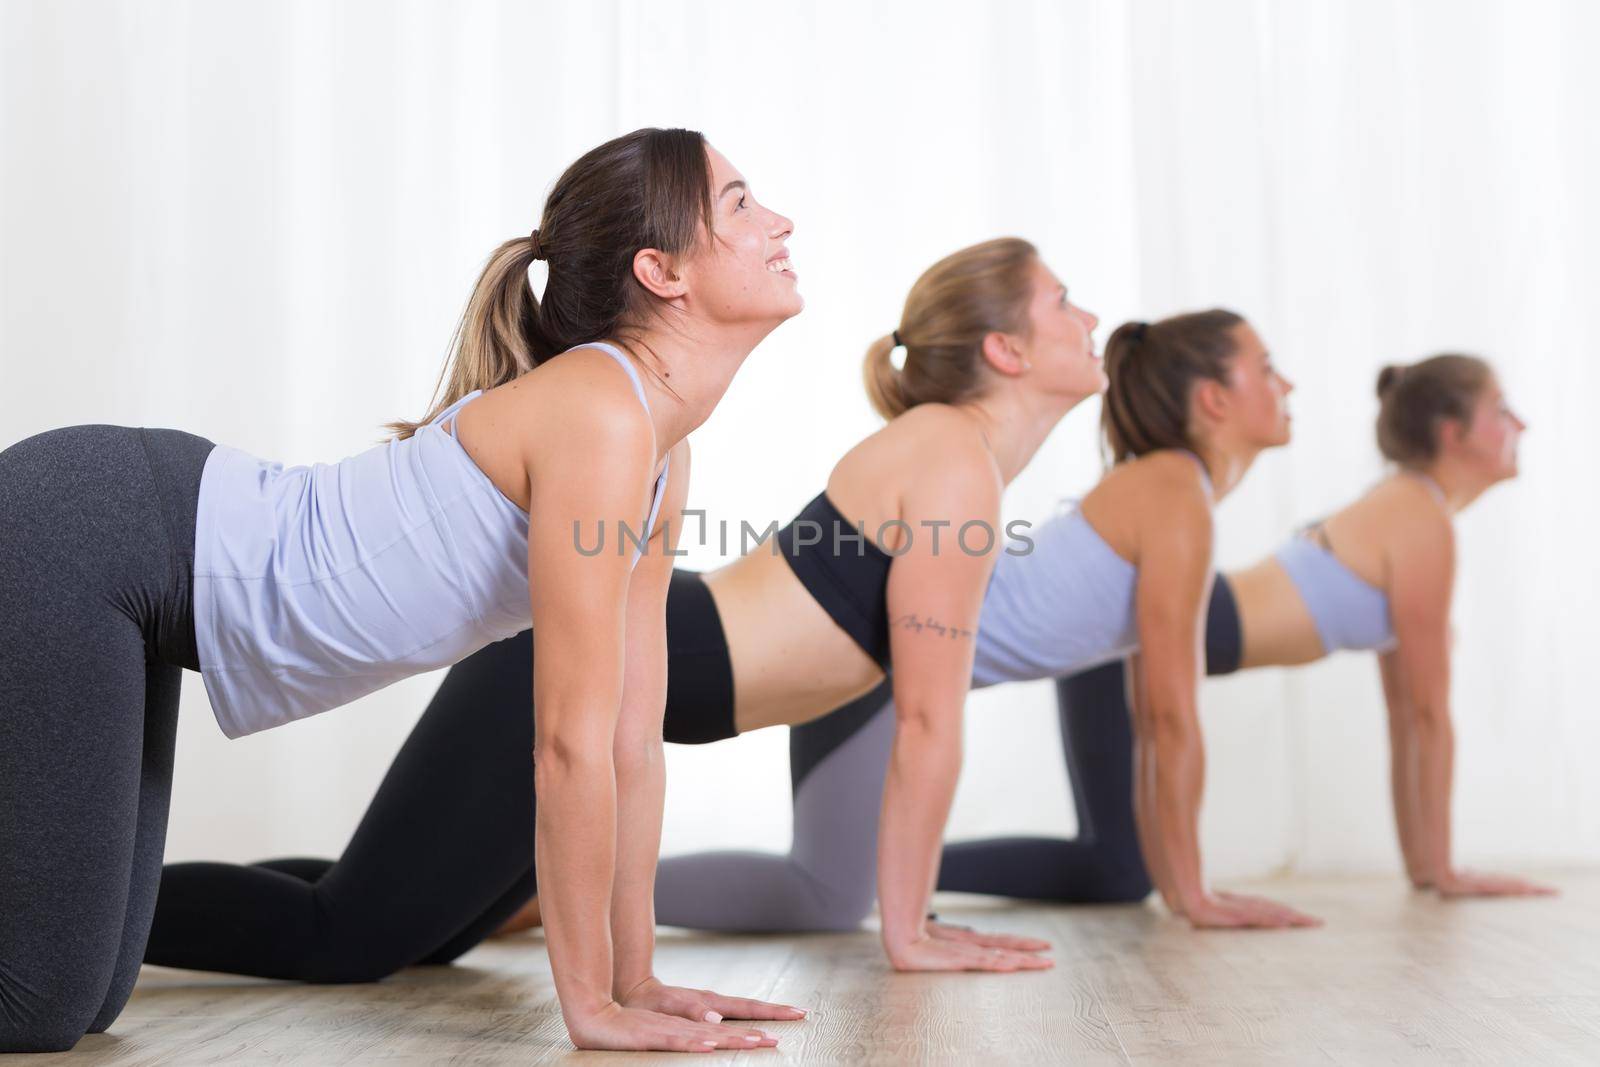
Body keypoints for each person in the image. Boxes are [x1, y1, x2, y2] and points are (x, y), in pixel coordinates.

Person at [0, 127, 803, 1054]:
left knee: (90, 994)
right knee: (41, 1006)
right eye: (741, 203)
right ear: (662, 270)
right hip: (98, 533)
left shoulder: (661, 447)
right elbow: (565, 745)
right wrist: (590, 1007)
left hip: (138, 562)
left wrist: (637, 978)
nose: (780, 221)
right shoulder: (601, 414)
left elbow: (631, 738)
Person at [147, 237, 1102, 980]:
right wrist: (910, 931)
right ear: (1006, 347)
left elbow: (897, 697)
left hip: (622, 675)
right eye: (1064, 301)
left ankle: (96, 905)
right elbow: (928, 714)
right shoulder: (951, 456)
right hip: (572, 666)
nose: (1089, 314)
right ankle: (66, 909)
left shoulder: (952, 454)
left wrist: (908, 915)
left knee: (412, 928)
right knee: (346, 936)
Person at [941, 354, 1554, 905]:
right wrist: (1445, 871)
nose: (1519, 425)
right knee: (1118, 871)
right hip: (1139, 635)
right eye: (1500, 410)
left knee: (1116, 870)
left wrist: (1429, 868)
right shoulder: (1420, 517)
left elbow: (1410, 717)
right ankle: (891, 871)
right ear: (1453, 434)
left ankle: (892, 872)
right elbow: (1426, 716)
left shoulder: (1409, 509)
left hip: (1128, 638)